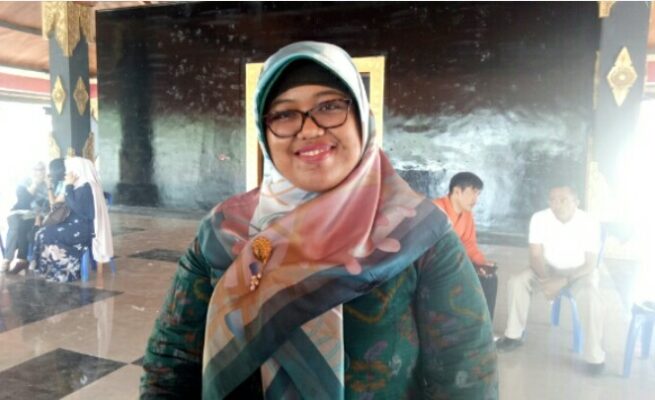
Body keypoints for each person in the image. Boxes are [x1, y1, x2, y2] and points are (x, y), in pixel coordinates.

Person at [140, 42, 497, 399]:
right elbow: (171, 364)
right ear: (264, 132)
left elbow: (467, 376)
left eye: (329, 107)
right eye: (284, 114)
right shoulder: (223, 231)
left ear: (362, 118)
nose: (309, 130)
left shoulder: (421, 235)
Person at [495, 185, 605, 375]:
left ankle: (594, 357)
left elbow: (590, 264)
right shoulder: (540, 218)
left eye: (563, 200)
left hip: (579, 272)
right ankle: (513, 335)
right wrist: (547, 281)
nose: (557, 204)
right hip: (547, 268)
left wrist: (562, 282)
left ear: (576, 202)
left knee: (592, 298)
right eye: (552, 199)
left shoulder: (589, 222)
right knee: (517, 282)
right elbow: (536, 255)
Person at [31, 157, 113, 282]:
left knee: (45, 234)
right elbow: (61, 204)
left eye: (70, 169)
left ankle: (64, 271)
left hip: (84, 229)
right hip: (75, 225)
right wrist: (68, 187)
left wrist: (68, 186)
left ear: (78, 169)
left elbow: (79, 209)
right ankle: (48, 269)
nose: (67, 173)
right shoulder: (82, 185)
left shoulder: (86, 187)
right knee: (42, 232)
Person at [433, 172, 498, 319]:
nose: (476, 199)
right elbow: (431, 249)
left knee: (489, 277)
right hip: (434, 266)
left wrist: (482, 264)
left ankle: (485, 325)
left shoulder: (467, 214)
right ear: (457, 191)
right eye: (473, 193)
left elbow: (469, 244)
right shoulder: (435, 210)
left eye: (478, 194)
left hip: (455, 263)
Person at [2, 162, 48, 273]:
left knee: (22, 227)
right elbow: (23, 202)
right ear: (31, 170)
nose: (38, 172)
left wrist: (38, 215)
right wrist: (34, 184)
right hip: (18, 212)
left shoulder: (47, 184)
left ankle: (17, 259)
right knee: (16, 225)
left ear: (45, 171)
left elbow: (47, 205)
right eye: (36, 169)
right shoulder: (23, 182)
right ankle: (8, 259)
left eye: (41, 169)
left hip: (35, 214)